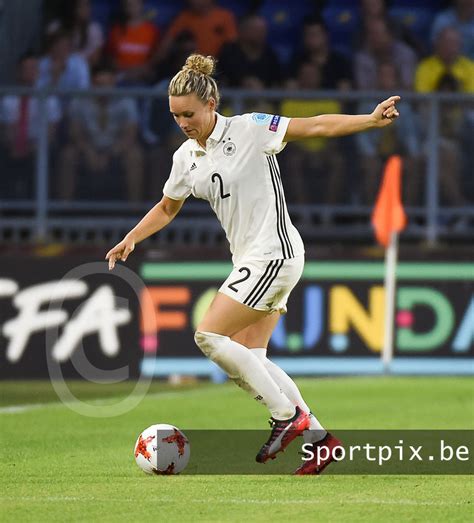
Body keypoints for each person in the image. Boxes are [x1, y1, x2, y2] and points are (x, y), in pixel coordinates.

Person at [105, 54, 400, 475]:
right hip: (254, 258)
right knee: (249, 355)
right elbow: (168, 207)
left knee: (208, 336)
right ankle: (319, 440)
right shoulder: (186, 158)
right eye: (175, 116)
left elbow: (313, 124)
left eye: (189, 113)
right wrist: (132, 237)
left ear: (211, 104)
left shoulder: (250, 128)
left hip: (274, 252)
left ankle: (287, 416)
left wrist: (368, 121)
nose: (183, 122)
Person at [58, 62, 144, 201]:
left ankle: (135, 208)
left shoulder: (126, 101)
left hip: (116, 148)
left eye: (107, 84)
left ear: (114, 82)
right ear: (92, 83)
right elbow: (75, 133)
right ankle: (64, 207)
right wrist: (88, 151)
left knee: (135, 155)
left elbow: (130, 135)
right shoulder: (79, 101)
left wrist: (110, 154)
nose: (103, 89)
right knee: (68, 155)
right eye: (99, 84)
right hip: (88, 146)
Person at [0, 53, 61, 199]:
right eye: (25, 68)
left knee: (45, 155)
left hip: (40, 147)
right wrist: (13, 145)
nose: (29, 72)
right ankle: (7, 208)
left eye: (33, 68)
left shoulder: (49, 99)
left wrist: (34, 147)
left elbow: (51, 132)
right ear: (18, 72)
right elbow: (6, 131)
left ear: (38, 72)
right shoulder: (8, 99)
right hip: (14, 147)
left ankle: (37, 210)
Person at [106, 0, 160, 85]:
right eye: (128, 4)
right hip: (120, 77)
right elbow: (110, 58)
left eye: (135, 4)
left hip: (143, 79)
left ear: (141, 5)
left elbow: (155, 60)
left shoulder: (152, 31)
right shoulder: (116, 30)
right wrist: (126, 71)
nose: (131, 7)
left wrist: (140, 71)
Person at [46, 0, 104, 67]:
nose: (87, 9)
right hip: (56, 70)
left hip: (84, 71)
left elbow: (94, 59)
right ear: (72, 8)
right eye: (82, 6)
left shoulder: (94, 29)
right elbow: (49, 55)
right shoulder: (55, 28)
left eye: (88, 5)